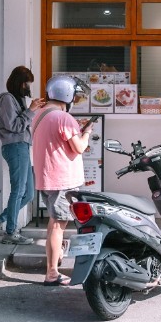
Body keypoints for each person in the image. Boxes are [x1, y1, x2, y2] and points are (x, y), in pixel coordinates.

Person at [32, 75, 91, 286]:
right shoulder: (63, 118)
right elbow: (80, 147)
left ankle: (53, 265)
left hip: (47, 178)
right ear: (67, 95)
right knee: (58, 226)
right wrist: (87, 133)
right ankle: (52, 273)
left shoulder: (40, 114)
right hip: (62, 180)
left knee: (52, 224)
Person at [0, 66, 45, 244]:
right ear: (20, 83)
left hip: (22, 147)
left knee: (28, 193)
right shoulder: (6, 99)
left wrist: (32, 109)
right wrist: (31, 110)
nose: (29, 87)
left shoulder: (17, 100)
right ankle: (10, 233)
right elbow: (15, 126)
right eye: (27, 83)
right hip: (15, 147)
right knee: (18, 191)